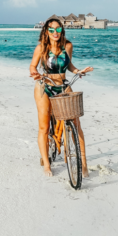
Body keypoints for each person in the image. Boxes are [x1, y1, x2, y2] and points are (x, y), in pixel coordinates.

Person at [29, 17, 93, 177]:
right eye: (52, 29)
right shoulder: (41, 48)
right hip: (45, 86)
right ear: (46, 31)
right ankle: (46, 165)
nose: (55, 32)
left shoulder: (68, 46)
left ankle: (83, 164)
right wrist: (35, 74)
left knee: (76, 124)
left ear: (62, 31)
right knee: (44, 128)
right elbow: (32, 65)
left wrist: (78, 71)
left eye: (58, 29)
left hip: (63, 85)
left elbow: (69, 64)